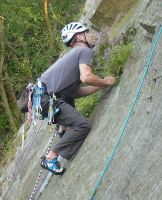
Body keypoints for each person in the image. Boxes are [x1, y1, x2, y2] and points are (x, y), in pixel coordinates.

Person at [39, 22, 115, 175]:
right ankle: (51, 157)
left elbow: (76, 93)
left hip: (45, 97)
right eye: (88, 32)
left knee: (71, 105)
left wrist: (101, 86)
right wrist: (106, 81)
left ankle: (64, 130)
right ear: (80, 37)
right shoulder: (84, 50)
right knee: (83, 126)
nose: (92, 35)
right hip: (48, 98)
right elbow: (86, 77)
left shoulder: (73, 56)